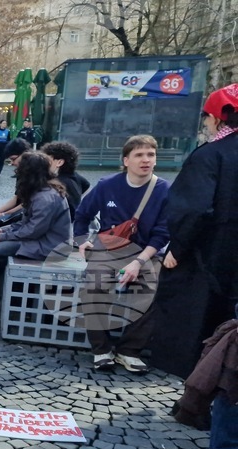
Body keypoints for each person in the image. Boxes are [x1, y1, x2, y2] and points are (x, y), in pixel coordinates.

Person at [147, 84, 238, 378]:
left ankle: (198, 393)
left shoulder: (210, 155)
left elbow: (193, 208)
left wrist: (178, 248)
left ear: (217, 118)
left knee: (197, 326)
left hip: (208, 259)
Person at [74, 135, 170, 373]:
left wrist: (138, 262)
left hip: (146, 252)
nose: (146, 160)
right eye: (139, 155)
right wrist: (82, 241)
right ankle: (101, 349)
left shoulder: (164, 189)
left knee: (153, 291)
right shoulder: (108, 185)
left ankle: (129, 350)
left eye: (150, 155)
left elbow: (162, 233)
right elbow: (83, 214)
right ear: (126, 160)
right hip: (109, 248)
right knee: (93, 287)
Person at [0, 151, 71, 303]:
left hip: (50, 245)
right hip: (40, 239)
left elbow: (33, 230)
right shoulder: (40, 191)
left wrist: (3, 236)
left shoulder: (45, 198)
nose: (16, 171)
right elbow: (28, 224)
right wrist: (4, 231)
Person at [40, 140, 90, 219]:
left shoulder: (57, 183)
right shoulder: (74, 176)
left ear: (59, 162)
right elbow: (86, 185)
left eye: (47, 160)